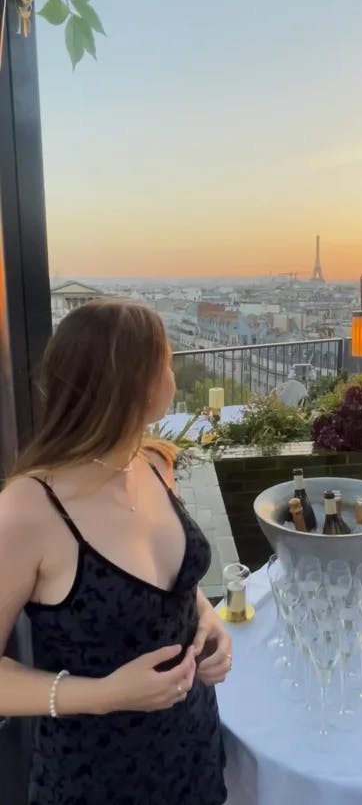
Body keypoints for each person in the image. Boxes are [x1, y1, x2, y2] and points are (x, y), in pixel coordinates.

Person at [0, 299, 231, 804]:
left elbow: (171, 588)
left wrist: (207, 619)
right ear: (138, 382)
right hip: (98, 780)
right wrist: (106, 695)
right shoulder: (27, 509)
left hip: (194, 751)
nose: (173, 374)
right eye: (167, 362)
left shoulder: (153, 462)